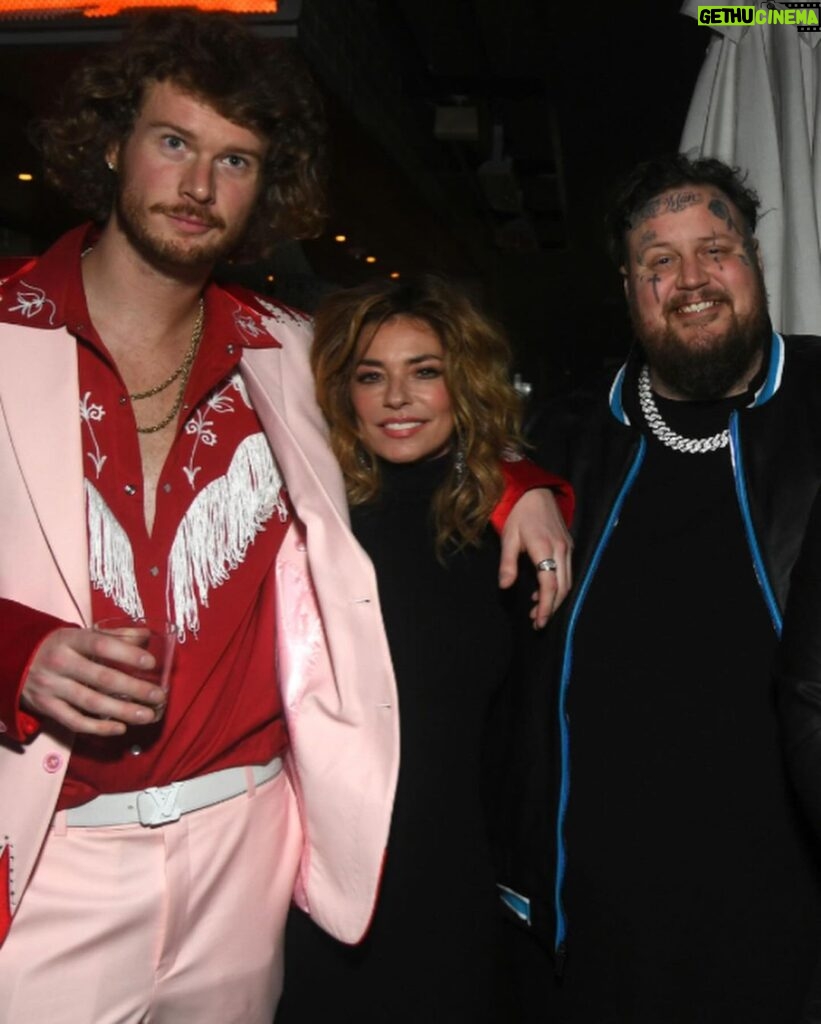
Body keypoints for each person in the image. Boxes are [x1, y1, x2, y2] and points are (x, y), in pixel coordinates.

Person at [0, 12, 574, 1024]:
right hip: (51, 857)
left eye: (236, 160)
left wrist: (520, 481)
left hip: (247, 855)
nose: (198, 184)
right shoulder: (7, 334)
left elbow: (423, 429)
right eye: (173, 142)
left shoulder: (291, 356)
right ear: (109, 147)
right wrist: (15, 655)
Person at [496, 154, 821, 1024]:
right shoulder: (563, 439)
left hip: (791, 935)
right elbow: (429, 440)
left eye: (714, 250)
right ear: (628, 288)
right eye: (658, 262)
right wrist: (507, 479)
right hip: (594, 938)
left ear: (755, 261)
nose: (690, 281)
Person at [274, 275, 569, 1023]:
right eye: (371, 376)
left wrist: (526, 487)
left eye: (424, 372)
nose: (396, 397)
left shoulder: (504, 533)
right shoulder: (311, 520)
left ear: (461, 385)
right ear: (343, 394)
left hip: (459, 880)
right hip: (318, 885)